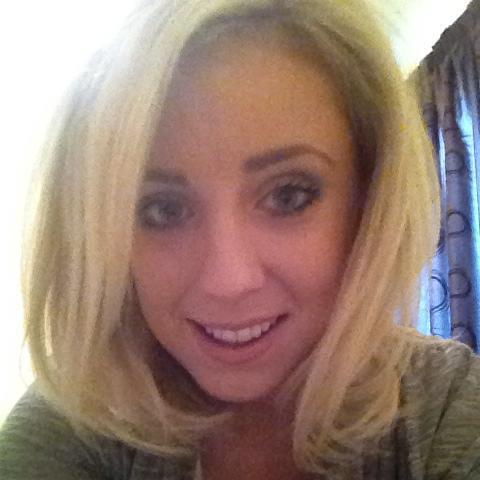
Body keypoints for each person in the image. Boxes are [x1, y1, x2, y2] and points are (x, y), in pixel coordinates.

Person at [1, 0, 480, 479]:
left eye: (289, 196)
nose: (227, 281)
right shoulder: (75, 422)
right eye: (162, 209)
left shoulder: (447, 410)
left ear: (368, 201)